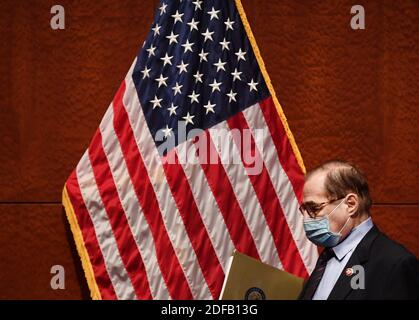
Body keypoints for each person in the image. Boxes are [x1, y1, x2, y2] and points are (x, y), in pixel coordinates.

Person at [298, 160, 419, 300]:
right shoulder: (327, 258)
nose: (306, 218)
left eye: (314, 208)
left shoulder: (395, 264)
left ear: (351, 204)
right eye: (304, 210)